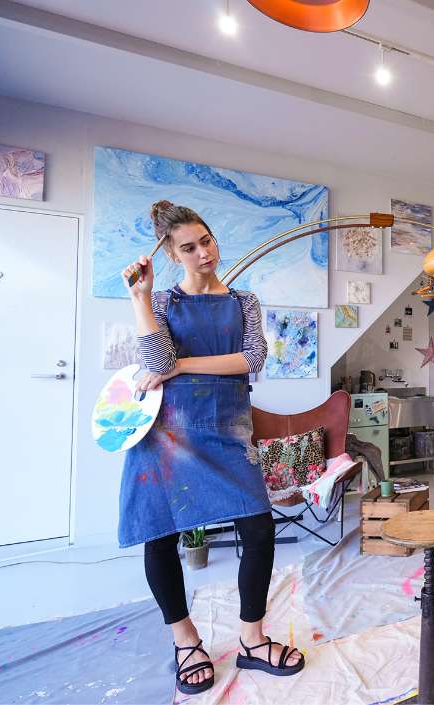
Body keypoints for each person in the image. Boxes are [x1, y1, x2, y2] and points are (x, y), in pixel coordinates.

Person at [119, 200, 302, 695]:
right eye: (189, 248)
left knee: (259, 527)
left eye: (207, 240)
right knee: (161, 535)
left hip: (227, 428)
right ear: (172, 255)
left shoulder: (244, 301)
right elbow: (157, 363)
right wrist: (141, 299)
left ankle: (252, 639)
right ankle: (185, 641)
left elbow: (252, 359)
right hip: (168, 432)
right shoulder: (161, 301)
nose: (204, 253)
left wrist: (182, 365)